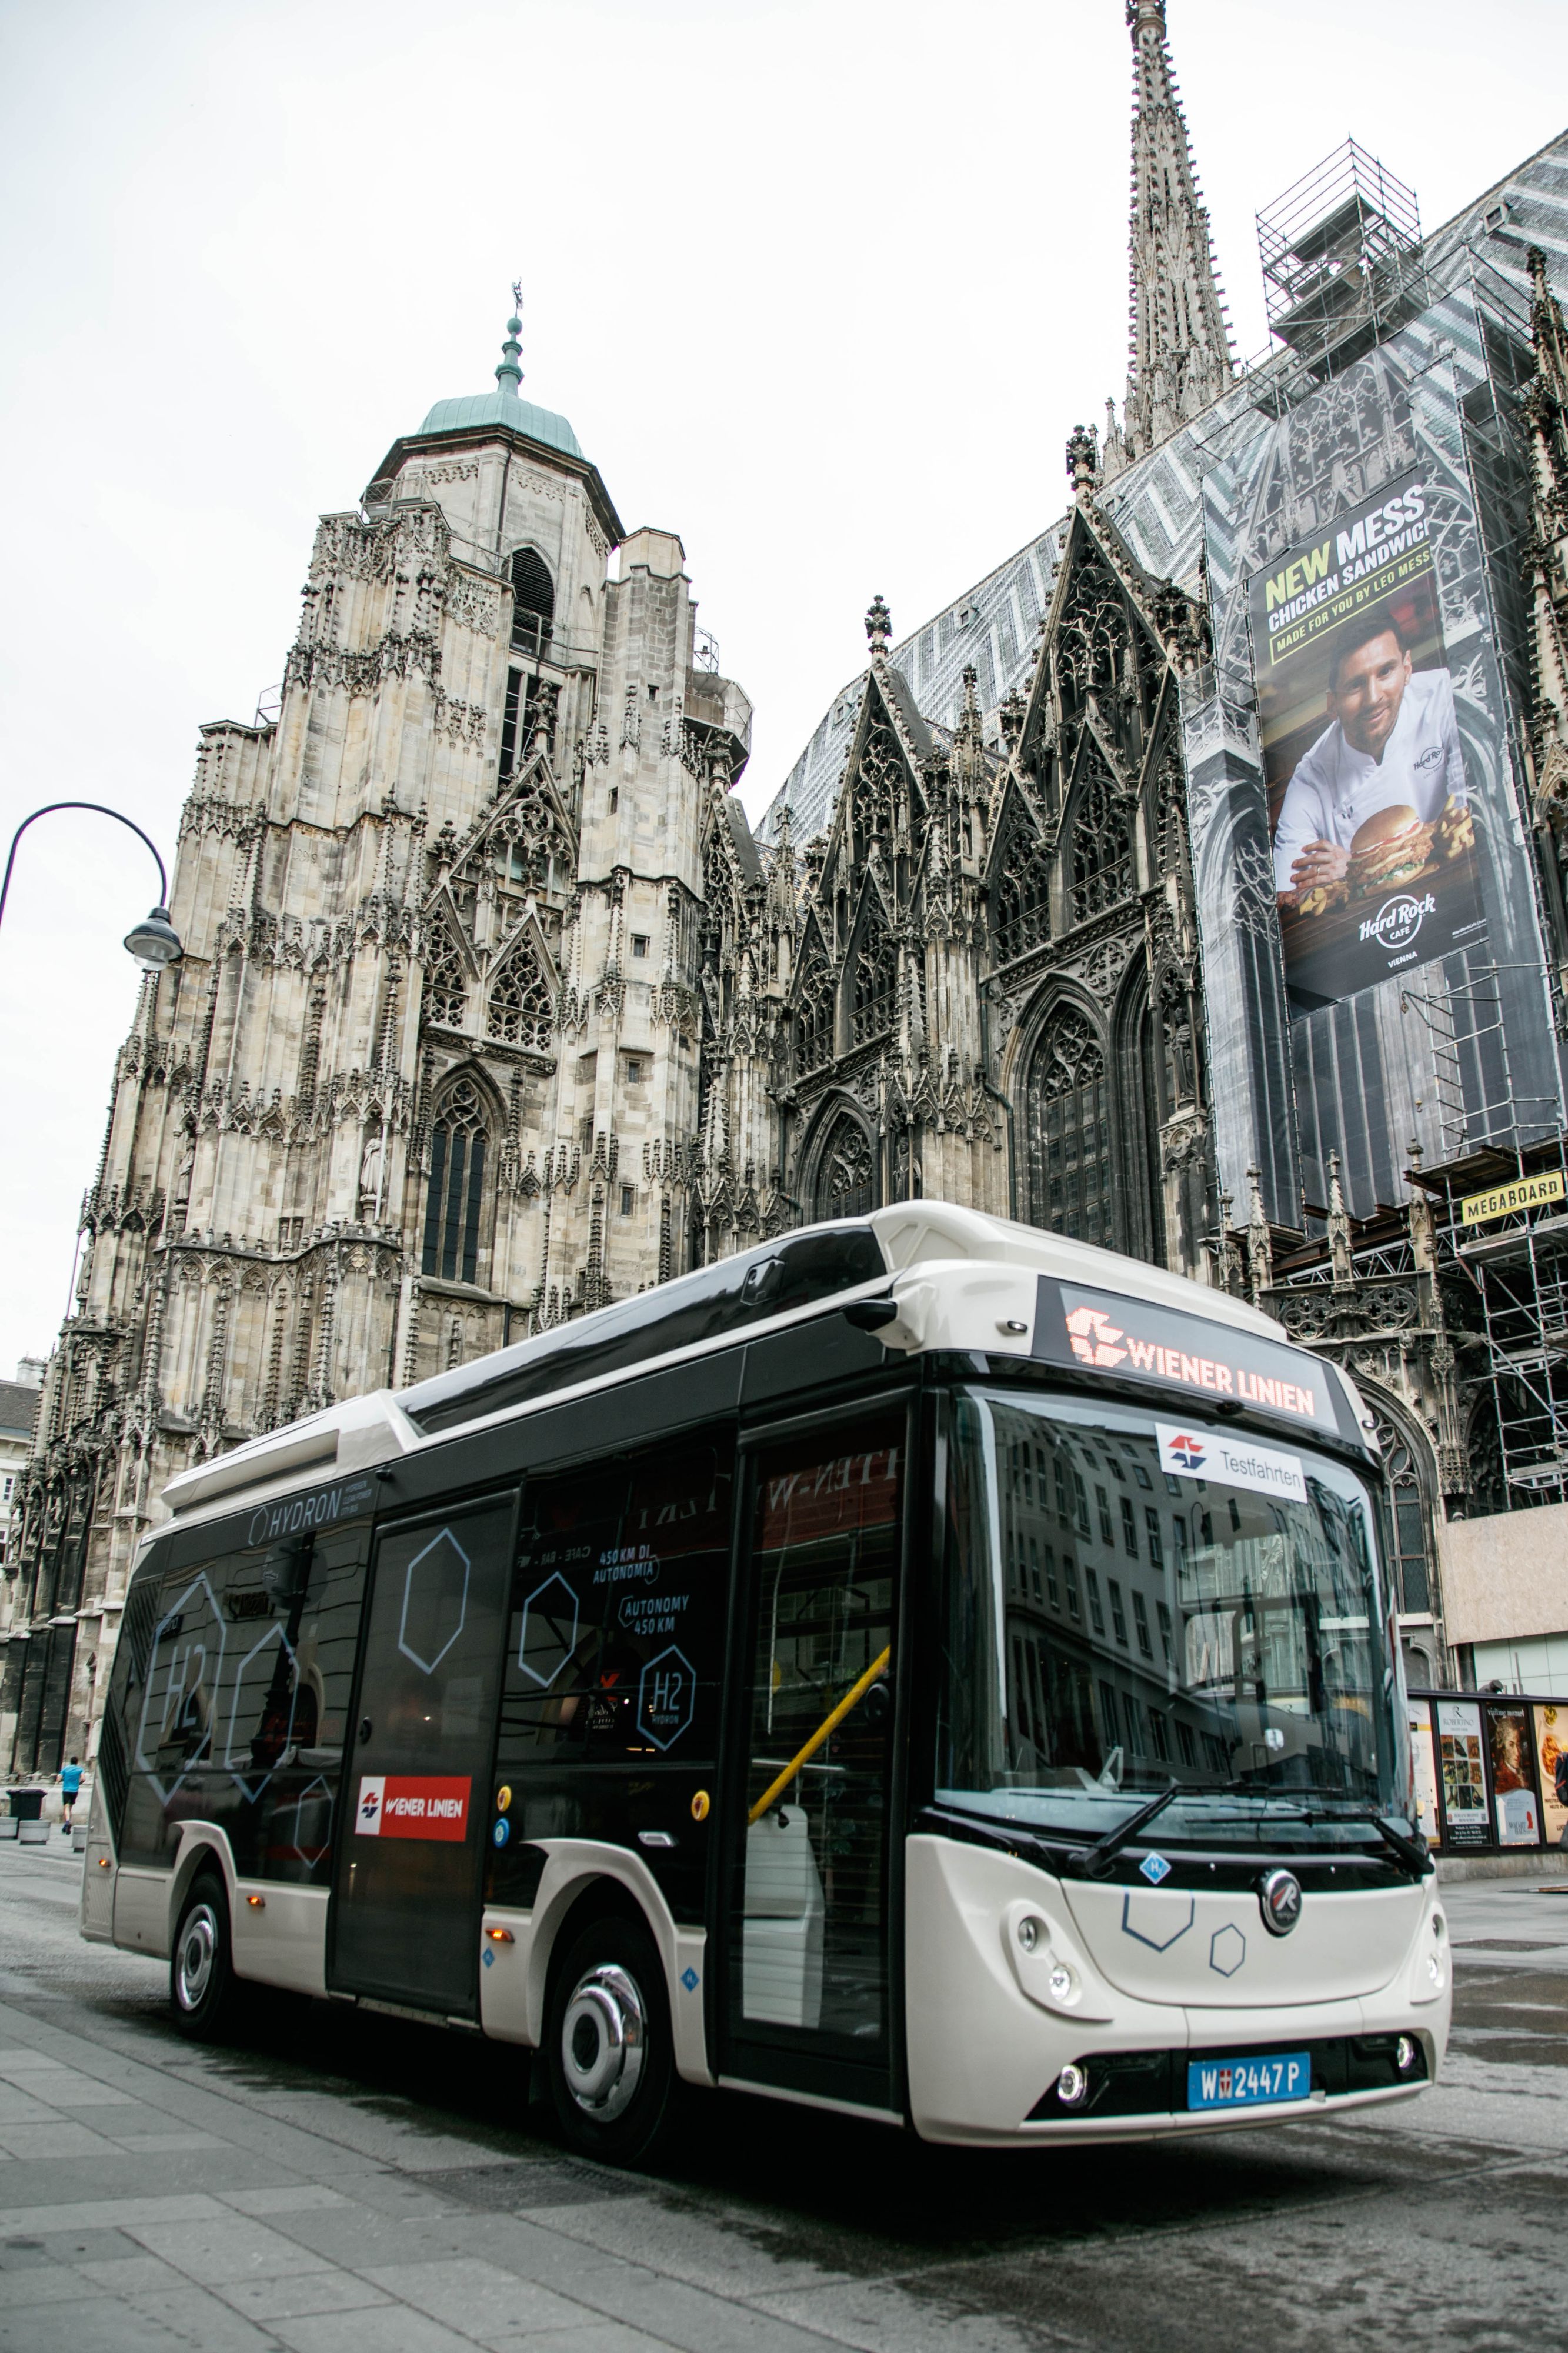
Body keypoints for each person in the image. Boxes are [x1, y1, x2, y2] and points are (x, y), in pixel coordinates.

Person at [1272, 603, 1467, 894]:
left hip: (1460, 886)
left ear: (1407, 668)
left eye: (1386, 671)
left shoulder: (1446, 695)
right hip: (1366, 927)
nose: (1373, 698)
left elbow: (1469, 814)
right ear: (1332, 704)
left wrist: (1354, 867)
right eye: (1355, 685)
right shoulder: (1311, 777)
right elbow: (1289, 890)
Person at [59, 1756, 82, 1833]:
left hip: (66, 1790)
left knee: (66, 1807)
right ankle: (66, 1825)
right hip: (75, 1790)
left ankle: (67, 1822)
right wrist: (79, 1783)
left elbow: (58, 1779)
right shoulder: (80, 1769)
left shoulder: (66, 1769)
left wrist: (63, 1779)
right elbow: (84, 1779)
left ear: (71, 1762)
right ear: (77, 1762)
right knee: (70, 1808)